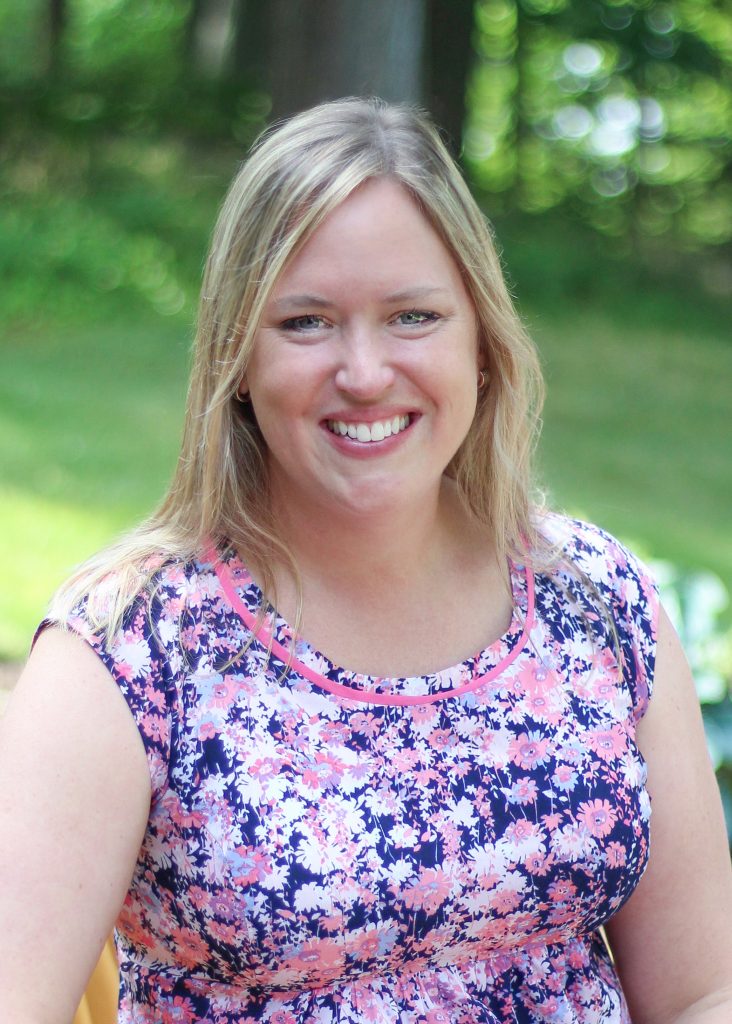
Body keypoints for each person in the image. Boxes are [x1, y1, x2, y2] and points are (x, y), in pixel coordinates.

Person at [1, 97, 730, 1024]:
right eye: (305, 323)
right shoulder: (129, 650)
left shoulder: (597, 601)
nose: (364, 372)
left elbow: (704, 991)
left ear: (483, 342)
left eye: (413, 316)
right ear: (237, 358)